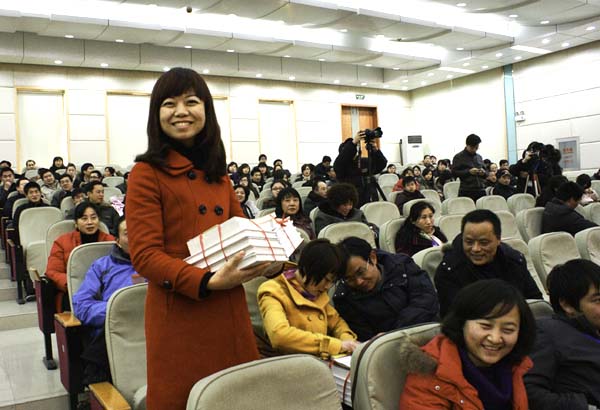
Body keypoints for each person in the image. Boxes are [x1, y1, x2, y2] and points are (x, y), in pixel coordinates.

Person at [126, 68, 279, 410]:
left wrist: (271, 252)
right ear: (156, 114)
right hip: (180, 314)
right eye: (169, 103)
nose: (181, 111)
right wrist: (207, 281)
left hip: (229, 310)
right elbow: (146, 256)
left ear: (206, 110)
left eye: (191, 102)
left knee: (236, 399)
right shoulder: (146, 173)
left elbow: (242, 233)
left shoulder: (218, 175)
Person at [399, 279, 536, 410]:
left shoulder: (519, 366)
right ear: (461, 323)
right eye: (485, 326)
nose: (495, 339)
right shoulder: (429, 376)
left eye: (508, 330)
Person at [258, 239, 358, 357]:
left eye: (332, 282)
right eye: (326, 279)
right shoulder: (273, 291)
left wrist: (347, 340)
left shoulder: (315, 290)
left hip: (317, 360)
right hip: (286, 362)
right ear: (307, 269)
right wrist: (335, 345)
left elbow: (336, 323)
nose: (327, 287)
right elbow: (279, 336)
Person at [435, 210, 543, 317]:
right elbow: (452, 318)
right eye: (469, 242)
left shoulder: (514, 261)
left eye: (484, 243)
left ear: (498, 240)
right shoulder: (449, 271)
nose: (475, 249)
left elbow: (535, 302)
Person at [524, 259, 600, 409]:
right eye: (597, 300)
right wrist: (585, 407)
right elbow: (529, 392)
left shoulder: (594, 327)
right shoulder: (547, 333)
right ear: (567, 305)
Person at [72, 217, 139, 385]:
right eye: (128, 233)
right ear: (117, 241)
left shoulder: (155, 265)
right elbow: (82, 305)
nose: (136, 237)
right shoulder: (102, 266)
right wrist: (115, 310)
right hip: (115, 328)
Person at [334, 237, 438, 341]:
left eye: (361, 272)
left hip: (429, 330)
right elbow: (365, 337)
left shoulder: (402, 265)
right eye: (349, 279)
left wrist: (395, 333)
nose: (359, 281)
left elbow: (426, 300)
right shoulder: (344, 299)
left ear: (373, 258)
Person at [46, 202, 115, 312]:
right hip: (74, 291)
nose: (90, 222)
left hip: (105, 289)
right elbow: (53, 272)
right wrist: (73, 284)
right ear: (76, 223)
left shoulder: (110, 241)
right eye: (84, 218)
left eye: (93, 218)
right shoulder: (62, 242)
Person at [334, 130, 387, 206]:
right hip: (351, 204)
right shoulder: (340, 166)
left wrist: (375, 151)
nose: (354, 151)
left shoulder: (363, 162)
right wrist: (353, 143)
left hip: (370, 201)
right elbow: (343, 157)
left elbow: (381, 164)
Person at [452, 133, 487, 201]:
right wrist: (468, 172)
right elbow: (454, 172)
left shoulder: (479, 157)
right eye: (472, 148)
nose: (474, 150)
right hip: (466, 190)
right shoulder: (458, 157)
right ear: (467, 145)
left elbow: (486, 172)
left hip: (480, 189)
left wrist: (483, 173)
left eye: (476, 147)